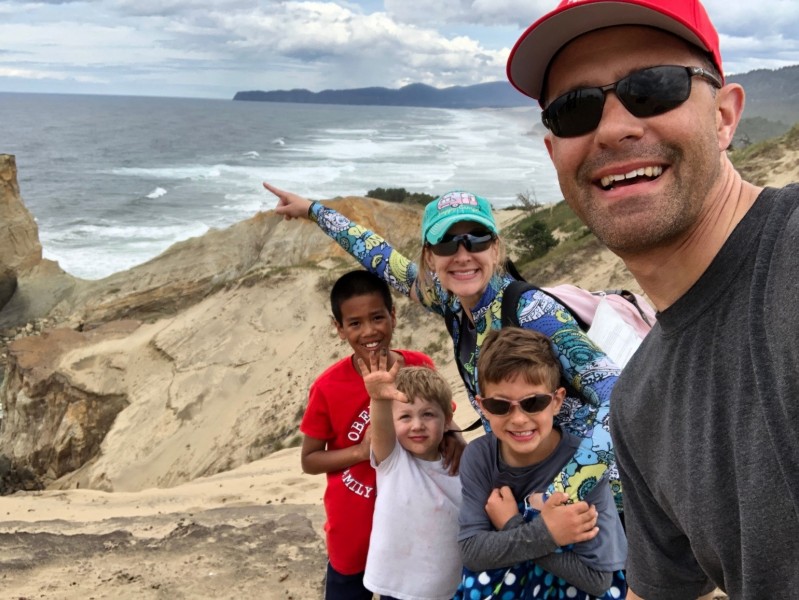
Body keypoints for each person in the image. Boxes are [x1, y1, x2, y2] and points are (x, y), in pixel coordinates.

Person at [506, 0, 799, 598]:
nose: (613, 128)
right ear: (553, 152)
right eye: (575, 109)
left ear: (724, 115)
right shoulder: (639, 404)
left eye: (654, 88)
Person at [266, 183, 622, 516]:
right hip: (525, 483)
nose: (462, 255)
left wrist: (555, 497)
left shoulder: (532, 311)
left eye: (477, 239)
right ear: (430, 257)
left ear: (495, 248)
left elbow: (618, 398)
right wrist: (313, 211)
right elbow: (379, 256)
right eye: (446, 244)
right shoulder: (450, 301)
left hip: (598, 498)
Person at [456, 327, 626, 599]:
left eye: (533, 402)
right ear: (483, 406)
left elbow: (597, 580)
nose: (519, 419)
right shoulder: (479, 457)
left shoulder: (584, 464)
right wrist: (548, 534)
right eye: (500, 405)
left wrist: (513, 524)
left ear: (557, 401)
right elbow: (473, 552)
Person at [299, 269, 435, 599]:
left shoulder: (420, 367)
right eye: (355, 323)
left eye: (377, 317)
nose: (369, 331)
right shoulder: (328, 387)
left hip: (408, 525)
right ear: (339, 328)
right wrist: (362, 452)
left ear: (393, 315)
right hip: (353, 530)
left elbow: (443, 426)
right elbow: (310, 460)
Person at [358, 352, 462, 600]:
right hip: (398, 590)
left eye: (428, 414)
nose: (417, 425)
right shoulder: (393, 461)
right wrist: (379, 398)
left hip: (448, 589)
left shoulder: (459, 462)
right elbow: (381, 427)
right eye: (405, 416)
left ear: (447, 420)